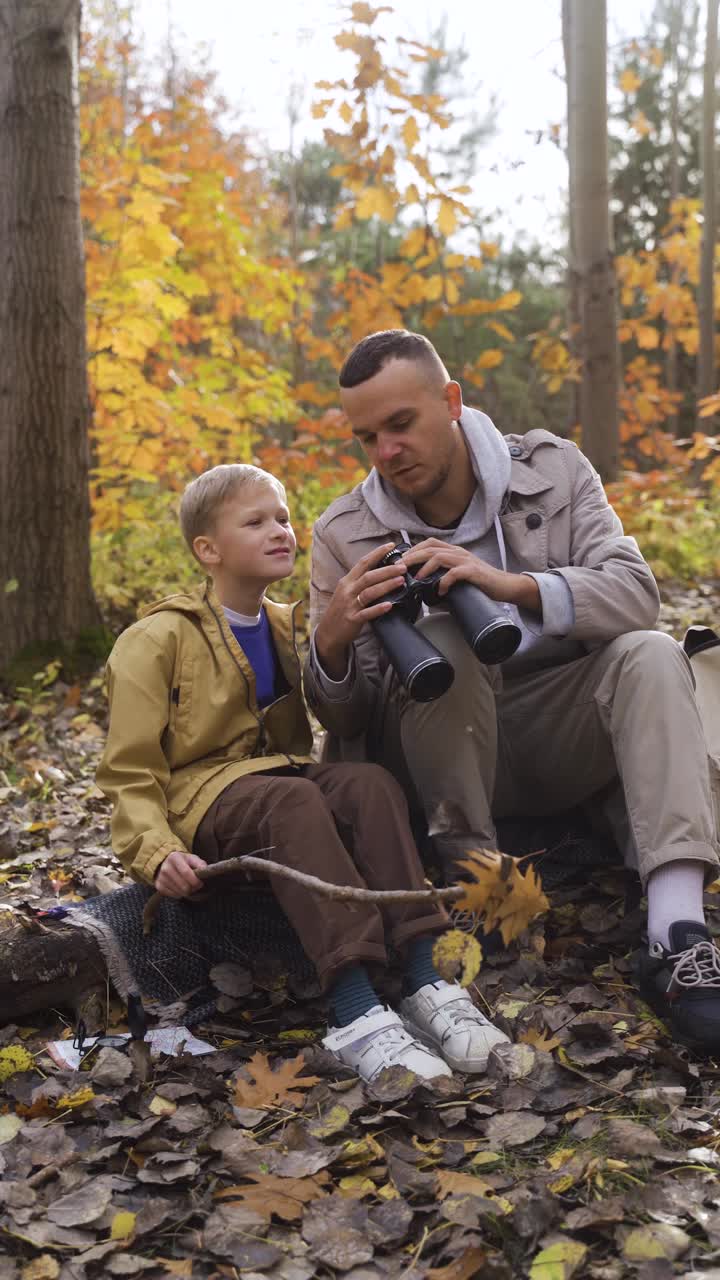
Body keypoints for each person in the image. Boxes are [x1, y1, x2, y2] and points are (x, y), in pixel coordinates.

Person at [303, 329, 720, 1053]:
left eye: (401, 425)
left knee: (651, 655)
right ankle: (484, 895)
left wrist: (507, 585)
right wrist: (332, 641)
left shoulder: (552, 472)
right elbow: (347, 720)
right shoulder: (346, 532)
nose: (385, 453)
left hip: (554, 729)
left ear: (452, 401)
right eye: (366, 437)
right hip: (437, 763)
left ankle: (677, 933)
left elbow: (636, 595)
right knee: (445, 647)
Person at [96, 462, 509, 1082]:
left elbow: (336, 712)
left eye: (284, 519)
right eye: (255, 521)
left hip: (282, 781)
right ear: (207, 549)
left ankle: (428, 975)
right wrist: (153, 850)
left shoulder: (291, 626)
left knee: (367, 784)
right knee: (292, 803)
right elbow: (129, 770)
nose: (280, 531)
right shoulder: (155, 640)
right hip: (201, 800)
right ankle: (355, 1011)